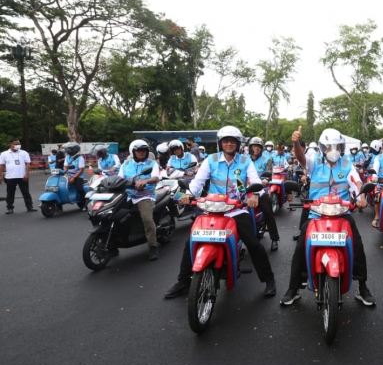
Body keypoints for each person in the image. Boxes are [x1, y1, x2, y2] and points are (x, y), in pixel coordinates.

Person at [165, 126, 276, 298]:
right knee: (190, 242)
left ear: (238, 144)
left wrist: (254, 194)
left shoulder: (246, 161)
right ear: (220, 143)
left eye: (233, 141)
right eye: (226, 140)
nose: (229, 144)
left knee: (253, 244)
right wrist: (187, 195)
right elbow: (197, 182)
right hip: (212, 209)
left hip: (236, 210)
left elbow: (254, 181)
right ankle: (183, 282)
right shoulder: (211, 159)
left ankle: (268, 279)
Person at [280, 126, 375, 306]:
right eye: (330, 147)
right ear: (323, 148)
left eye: (338, 147)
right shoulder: (314, 162)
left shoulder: (347, 164)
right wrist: (295, 142)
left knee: (357, 245)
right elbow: (301, 158)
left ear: (342, 148)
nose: (334, 151)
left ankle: (363, 288)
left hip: (342, 214)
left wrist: (362, 196)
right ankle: (293, 289)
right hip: (316, 214)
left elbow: (356, 180)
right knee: (300, 246)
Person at [117, 140, 161, 260]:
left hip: (145, 195)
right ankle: (112, 245)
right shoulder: (125, 164)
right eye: (138, 151)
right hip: (128, 195)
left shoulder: (152, 163)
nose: (141, 153)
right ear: (133, 152)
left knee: (147, 219)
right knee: (113, 215)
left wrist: (145, 182)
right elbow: (119, 179)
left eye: (144, 151)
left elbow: (156, 177)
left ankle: (153, 246)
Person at [248, 136, 280, 251]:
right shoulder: (244, 159)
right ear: (250, 147)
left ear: (262, 148)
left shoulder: (267, 159)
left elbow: (269, 173)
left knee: (268, 212)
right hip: (244, 191)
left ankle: (274, 239)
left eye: (258, 147)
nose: (256, 148)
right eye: (253, 146)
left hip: (261, 190)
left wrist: (265, 180)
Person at [0, 138, 36, 214]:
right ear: (11, 145)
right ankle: (10, 208)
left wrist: (27, 174)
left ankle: (29, 206)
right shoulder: (4, 154)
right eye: (16, 144)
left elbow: (27, 164)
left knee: (25, 192)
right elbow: (2, 165)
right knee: (10, 193)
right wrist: (0, 176)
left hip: (22, 176)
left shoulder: (24, 153)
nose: (18, 145)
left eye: (19, 144)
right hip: (10, 177)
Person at [63, 142, 87, 210]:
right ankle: (59, 207)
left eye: (69, 149)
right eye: (67, 148)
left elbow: (81, 170)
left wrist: (74, 178)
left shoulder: (80, 158)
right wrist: (66, 175)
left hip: (78, 176)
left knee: (80, 189)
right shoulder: (67, 157)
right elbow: (65, 167)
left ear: (75, 149)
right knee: (59, 188)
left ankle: (84, 204)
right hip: (68, 175)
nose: (68, 150)